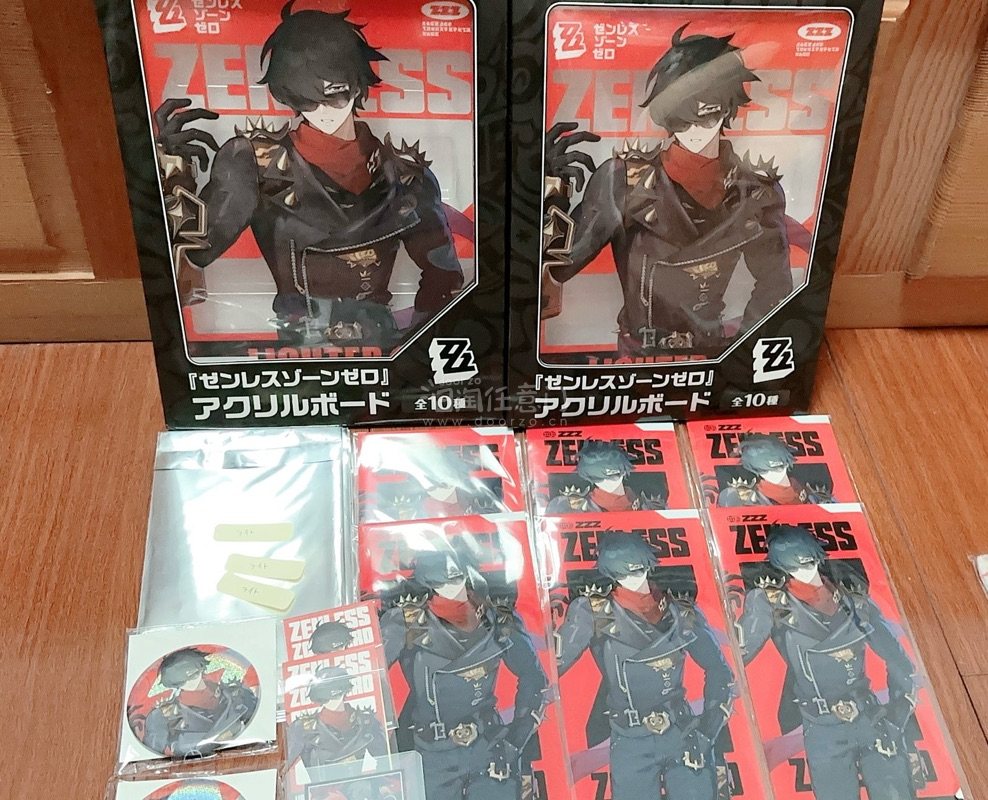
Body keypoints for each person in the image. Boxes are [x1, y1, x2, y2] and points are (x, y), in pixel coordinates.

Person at [154, 2, 464, 350]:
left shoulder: (406, 177)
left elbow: (445, 278)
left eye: (334, 94)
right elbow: (194, 253)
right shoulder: (254, 163)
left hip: (380, 343)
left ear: (356, 85)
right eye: (306, 100)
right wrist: (173, 169)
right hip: (298, 348)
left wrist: (416, 350)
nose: (322, 112)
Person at [543, 25, 793, 357]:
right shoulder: (622, 180)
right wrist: (552, 189)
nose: (694, 130)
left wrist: (739, 354)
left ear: (725, 107)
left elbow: (775, 288)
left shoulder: (756, 193)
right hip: (638, 356)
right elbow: (554, 272)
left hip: (710, 351)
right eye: (681, 118)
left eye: (706, 114)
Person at [738, 526, 917, 800]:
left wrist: (897, 715)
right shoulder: (771, 603)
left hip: (871, 716)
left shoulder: (852, 597)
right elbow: (738, 655)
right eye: (797, 564)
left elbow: (900, 660)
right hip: (822, 725)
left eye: (810, 561)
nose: (806, 569)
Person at [555, 535, 733, 799]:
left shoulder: (680, 610)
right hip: (630, 737)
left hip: (682, 731)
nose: (633, 575)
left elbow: (721, 672)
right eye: (624, 570)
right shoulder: (592, 612)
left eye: (638, 567)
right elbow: (551, 668)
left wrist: (707, 732)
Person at [380, 549, 548, 799]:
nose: (452, 588)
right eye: (443, 582)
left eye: (457, 578)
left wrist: (515, 740)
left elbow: (534, 677)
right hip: (432, 752)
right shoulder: (404, 622)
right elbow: (367, 677)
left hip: (489, 744)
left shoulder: (497, 617)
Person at [143, 647, 258, 757]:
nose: (189, 681)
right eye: (181, 680)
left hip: (246, 752)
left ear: (200, 668)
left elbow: (258, 720)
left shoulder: (236, 694)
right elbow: (152, 754)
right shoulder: (162, 716)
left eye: (192, 674)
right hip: (192, 764)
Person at [286, 665, 388, 768]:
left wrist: (377, 778)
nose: (331, 700)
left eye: (334, 693)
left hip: (359, 778)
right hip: (323, 778)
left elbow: (386, 761)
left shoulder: (366, 722)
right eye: (325, 695)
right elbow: (283, 766)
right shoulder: (302, 728)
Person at [545, 440, 666, 512]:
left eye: (613, 475)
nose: (607, 481)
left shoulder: (649, 504)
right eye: (599, 478)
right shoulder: (575, 506)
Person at [717, 433, 835, 506]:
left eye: (779, 467)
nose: (774, 473)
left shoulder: (806, 488)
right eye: (765, 470)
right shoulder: (753, 499)